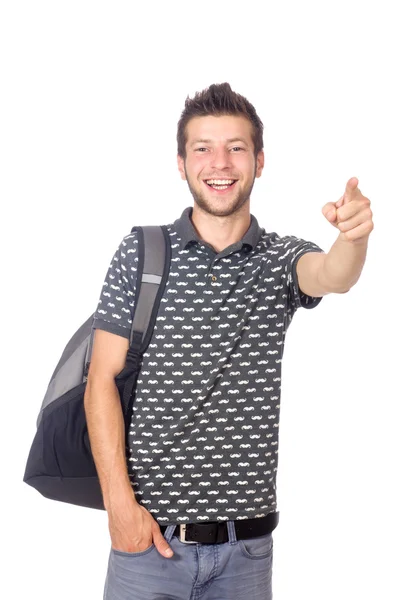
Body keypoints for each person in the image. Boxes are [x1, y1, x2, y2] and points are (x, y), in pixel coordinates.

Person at [84, 82, 374, 600]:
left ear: (259, 161)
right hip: (148, 543)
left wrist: (353, 238)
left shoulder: (280, 258)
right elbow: (100, 379)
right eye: (203, 148)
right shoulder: (143, 251)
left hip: (247, 552)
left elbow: (333, 274)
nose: (220, 162)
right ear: (181, 163)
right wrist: (119, 508)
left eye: (236, 147)